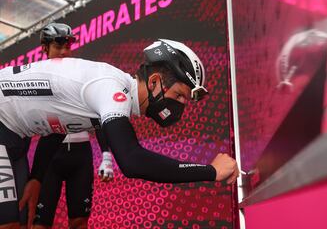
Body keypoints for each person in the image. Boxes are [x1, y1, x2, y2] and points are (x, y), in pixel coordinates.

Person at [0, 38, 239, 228]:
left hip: (15, 137)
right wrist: (211, 171)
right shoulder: (112, 90)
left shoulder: (115, 91)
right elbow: (132, 161)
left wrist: (36, 178)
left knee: (21, 222)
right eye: (178, 96)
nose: (180, 107)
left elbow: (58, 124)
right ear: (155, 81)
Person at [30, 22, 114, 229]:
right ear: (44, 49)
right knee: (40, 222)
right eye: (58, 47)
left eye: (67, 47)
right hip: (50, 156)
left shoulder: (82, 75)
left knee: (79, 222)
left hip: (80, 155)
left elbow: (98, 115)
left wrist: (106, 156)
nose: (64, 52)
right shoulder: (33, 76)